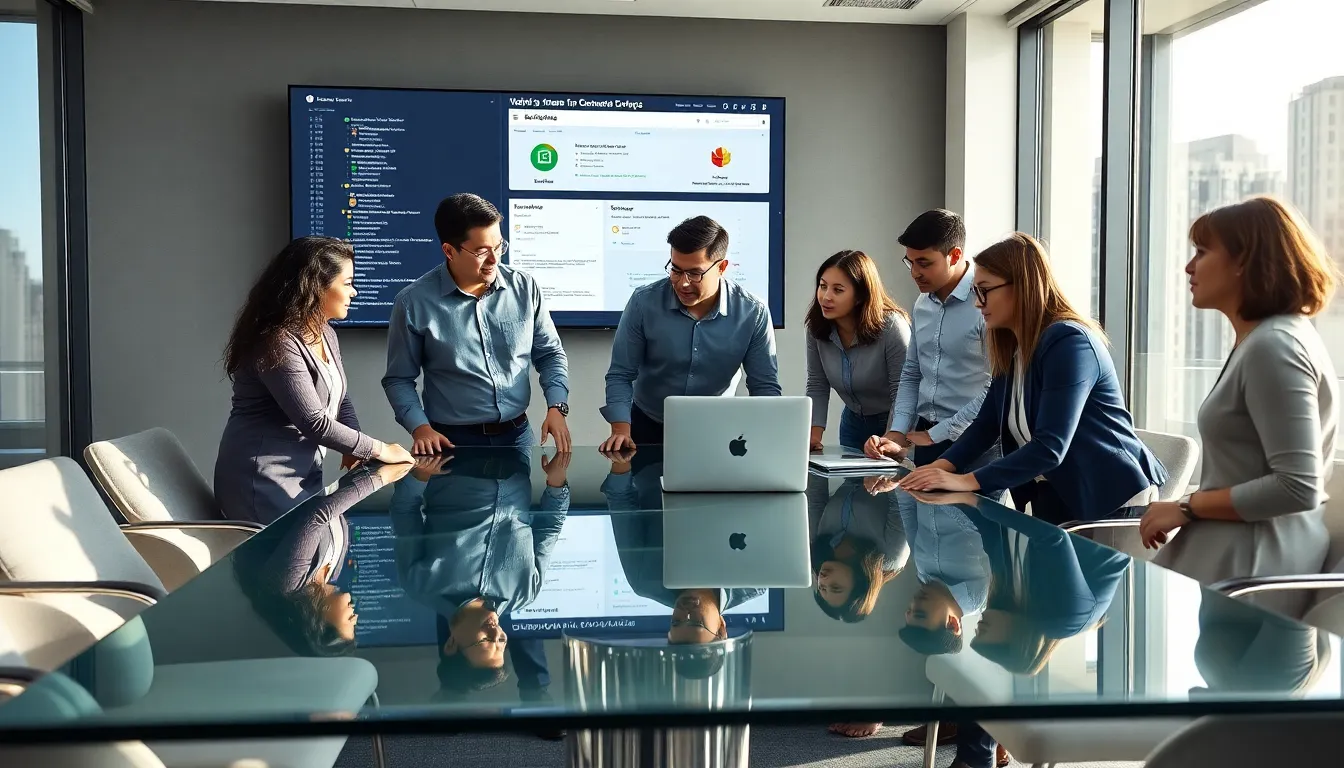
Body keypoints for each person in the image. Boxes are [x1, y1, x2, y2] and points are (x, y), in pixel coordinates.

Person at [1139, 196, 1340, 619]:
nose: (1189, 267)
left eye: (1202, 252)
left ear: (1244, 261)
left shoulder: (1275, 347)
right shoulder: (1265, 341)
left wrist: (1186, 507)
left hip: (1253, 572)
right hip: (1238, 562)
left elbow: (1297, 486)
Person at [889, 233, 1168, 525]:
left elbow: (1050, 446)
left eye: (984, 291)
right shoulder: (1014, 346)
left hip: (1110, 498)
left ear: (1021, 286)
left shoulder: (1070, 342)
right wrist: (939, 468)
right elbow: (986, 424)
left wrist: (966, 480)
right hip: (1059, 494)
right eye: (975, 292)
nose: (977, 303)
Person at [216, 236, 413, 524]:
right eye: (347, 283)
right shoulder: (277, 342)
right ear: (314, 286)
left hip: (304, 474)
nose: (354, 292)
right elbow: (314, 422)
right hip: (262, 481)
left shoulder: (325, 333)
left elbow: (340, 398)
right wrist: (380, 449)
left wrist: (353, 447)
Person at [383, 193, 571, 452]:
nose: (494, 260)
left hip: (518, 437)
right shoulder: (412, 303)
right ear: (449, 251)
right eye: (482, 252)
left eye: (499, 246)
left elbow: (550, 354)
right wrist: (420, 428)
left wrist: (557, 406)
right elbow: (398, 379)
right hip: (451, 442)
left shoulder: (525, 288)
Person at [387, 447, 570, 697]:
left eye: (485, 641)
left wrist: (420, 475)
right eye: (501, 642)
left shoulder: (419, 584)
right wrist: (557, 483)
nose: (497, 632)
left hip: (456, 453)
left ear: (451, 644)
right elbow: (550, 527)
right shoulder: (525, 592)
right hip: (515, 454)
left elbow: (404, 510)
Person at [599, 216, 782, 450]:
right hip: (648, 424)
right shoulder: (643, 302)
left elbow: (764, 387)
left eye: (695, 273)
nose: (683, 283)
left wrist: (767, 440)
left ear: (722, 267)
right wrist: (621, 431)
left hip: (718, 429)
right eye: (676, 270)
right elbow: (621, 374)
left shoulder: (752, 313)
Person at [232, 459, 411, 656]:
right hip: (304, 465)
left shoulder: (288, 585)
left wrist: (379, 478)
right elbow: (334, 504)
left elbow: (316, 516)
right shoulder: (333, 572)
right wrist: (370, 467)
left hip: (271, 468)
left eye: (350, 624)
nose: (356, 618)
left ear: (319, 625)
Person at [865, 210, 993, 469]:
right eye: (910, 262)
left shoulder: (987, 303)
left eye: (924, 263)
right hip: (926, 438)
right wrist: (897, 433)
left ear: (954, 255)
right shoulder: (922, 304)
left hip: (977, 440)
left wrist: (939, 433)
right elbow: (912, 372)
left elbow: (997, 388)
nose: (915, 272)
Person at [805, 250, 912, 451]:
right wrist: (812, 435)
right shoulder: (817, 328)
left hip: (895, 421)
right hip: (853, 422)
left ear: (860, 296)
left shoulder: (892, 327)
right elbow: (817, 384)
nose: (826, 297)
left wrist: (893, 437)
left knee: (889, 472)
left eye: (838, 290)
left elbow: (903, 390)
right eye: (823, 286)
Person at [805, 473, 909, 624]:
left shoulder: (819, 548)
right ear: (859, 584)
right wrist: (884, 476)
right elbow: (904, 497)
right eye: (836, 587)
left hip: (851, 465)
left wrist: (810, 460)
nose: (824, 579)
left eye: (822, 587)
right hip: (890, 467)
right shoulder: (890, 557)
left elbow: (815, 495)